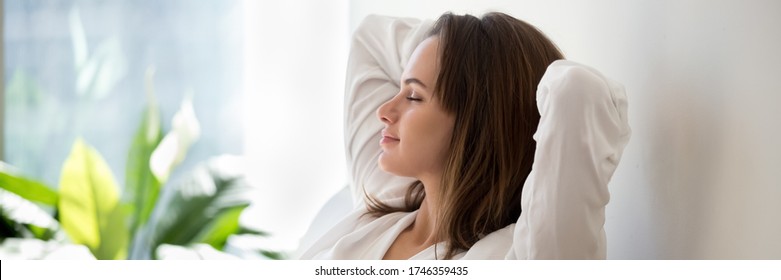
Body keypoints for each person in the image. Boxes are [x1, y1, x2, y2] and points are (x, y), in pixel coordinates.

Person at [300, 12, 631, 260]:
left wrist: (488, 64)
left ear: (476, 123)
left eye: (413, 96)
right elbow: (370, 37)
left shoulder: (517, 255)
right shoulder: (386, 204)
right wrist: (460, 40)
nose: (384, 110)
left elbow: (576, 90)